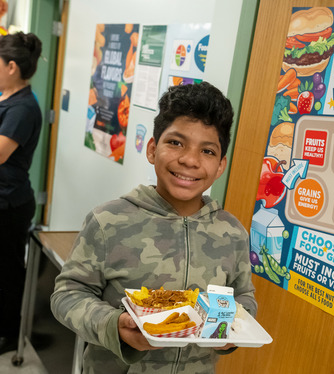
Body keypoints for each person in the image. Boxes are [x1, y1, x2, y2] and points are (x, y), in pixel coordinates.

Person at [50, 82, 257, 373]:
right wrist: (113, 325)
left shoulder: (233, 233)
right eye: (175, 143)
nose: (189, 160)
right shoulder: (108, 221)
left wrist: (233, 330)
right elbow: (67, 295)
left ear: (221, 166)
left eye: (207, 151)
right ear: (152, 149)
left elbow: (243, 297)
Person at [0, 31, 42, 355]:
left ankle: (9, 334)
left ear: (12, 66)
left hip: (9, 204)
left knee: (7, 271)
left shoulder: (23, 108)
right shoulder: (6, 97)